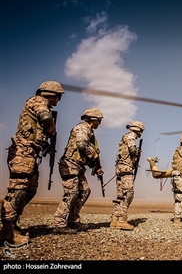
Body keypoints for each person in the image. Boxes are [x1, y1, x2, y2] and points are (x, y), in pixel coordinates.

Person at [0, 81, 64, 244]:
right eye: (58, 96)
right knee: (19, 190)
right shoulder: (38, 101)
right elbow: (46, 118)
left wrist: (45, 144)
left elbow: (37, 129)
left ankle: (12, 223)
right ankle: (6, 230)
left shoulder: (39, 104)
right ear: (51, 93)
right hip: (23, 153)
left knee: (30, 189)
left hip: (31, 153)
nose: (59, 100)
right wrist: (51, 131)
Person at [52, 108, 104, 234]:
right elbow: (82, 145)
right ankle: (59, 223)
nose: (100, 124)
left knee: (85, 191)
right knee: (71, 193)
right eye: (99, 121)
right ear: (94, 120)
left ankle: (73, 220)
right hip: (70, 164)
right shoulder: (82, 128)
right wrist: (94, 156)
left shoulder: (89, 131)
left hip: (79, 166)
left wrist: (95, 165)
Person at [110, 120, 145, 230]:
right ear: (138, 130)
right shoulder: (131, 136)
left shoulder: (125, 136)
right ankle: (122, 220)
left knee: (120, 196)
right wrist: (137, 152)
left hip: (121, 168)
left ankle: (115, 220)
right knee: (129, 194)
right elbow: (132, 150)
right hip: (126, 168)